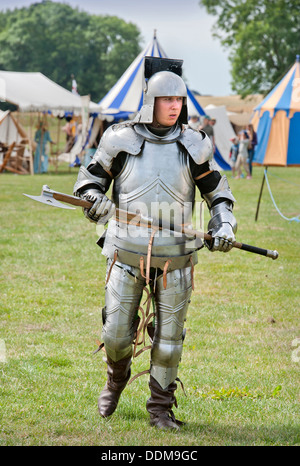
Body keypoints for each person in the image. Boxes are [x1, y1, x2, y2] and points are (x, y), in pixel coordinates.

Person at [73, 57, 237, 431]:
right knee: (115, 335)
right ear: (151, 101)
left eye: (179, 100)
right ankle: (116, 378)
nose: (175, 106)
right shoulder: (120, 138)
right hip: (125, 251)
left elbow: (219, 195)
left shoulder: (194, 144)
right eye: (167, 99)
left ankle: (160, 409)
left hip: (176, 256)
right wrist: (94, 200)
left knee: (169, 341)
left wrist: (223, 225)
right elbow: (89, 181)